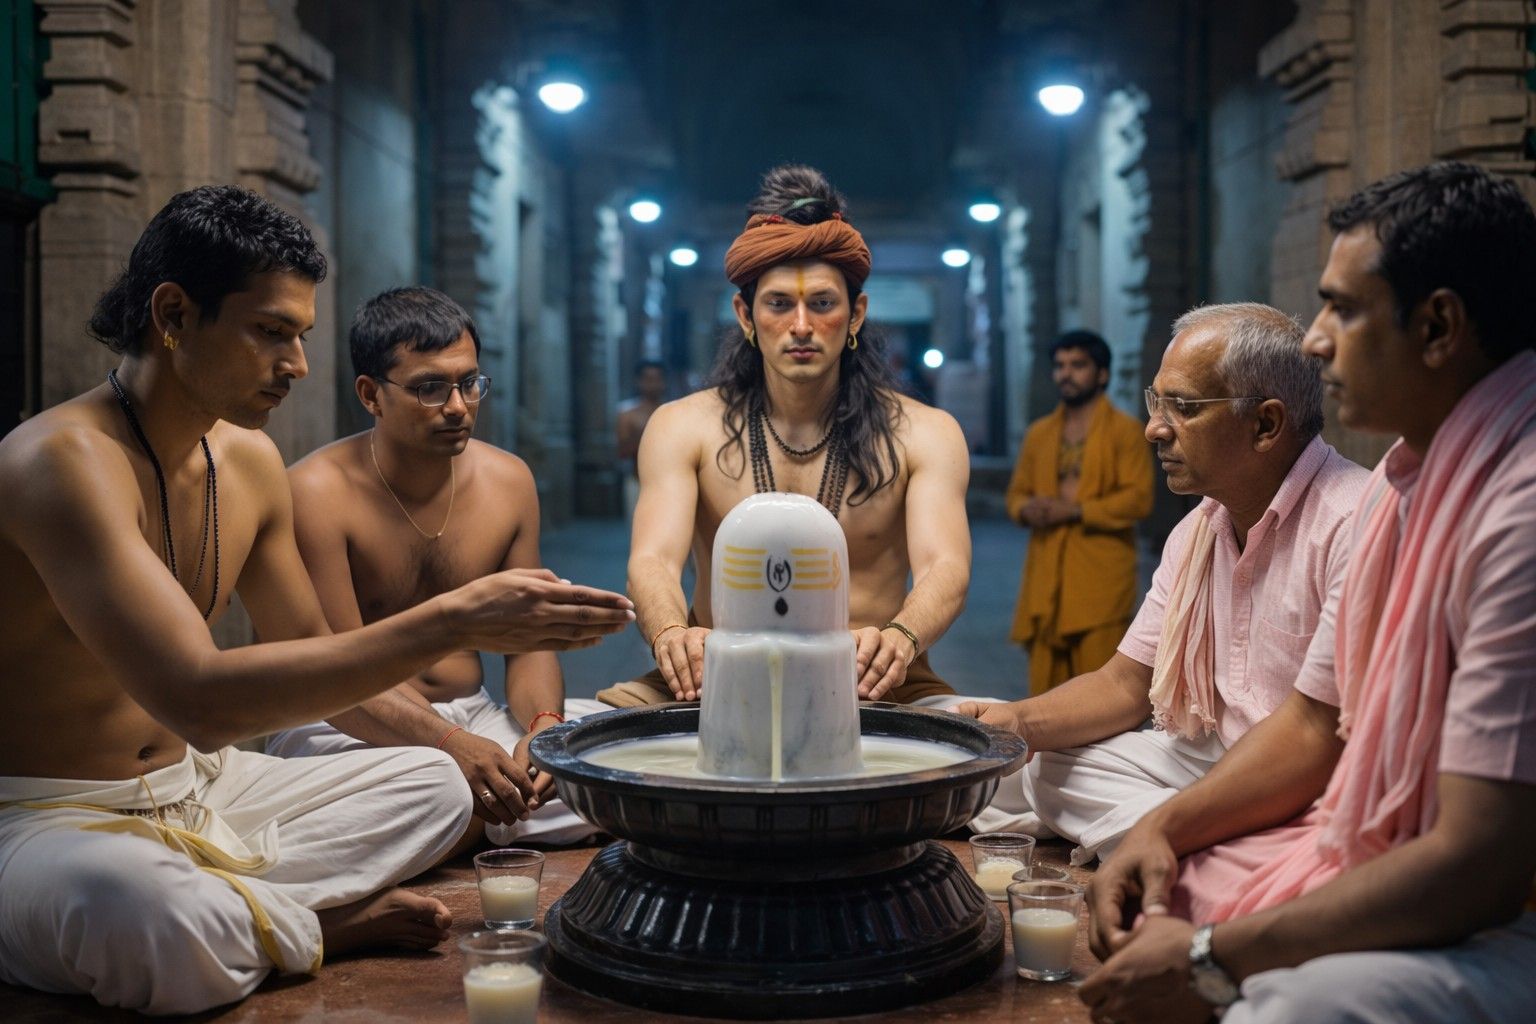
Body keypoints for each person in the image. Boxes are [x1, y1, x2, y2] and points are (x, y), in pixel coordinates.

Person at [0, 186, 632, 1014]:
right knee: (139, 914)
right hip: (49, 815)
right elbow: (197, 702)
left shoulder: (246, 461)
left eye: (300, 335)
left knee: (436, 785)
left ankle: (239, 913)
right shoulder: (59, 463)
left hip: (204, 789)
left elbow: (323, 666)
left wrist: (457, 740)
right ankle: (315, 925)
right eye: (271, 332)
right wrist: (456, 618)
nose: (298, 364)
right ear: (174, 314)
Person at [1080, 162, 1536, 1024]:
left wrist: (1210, 959)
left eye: (1342, 309)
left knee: (1292, 1006)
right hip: (1338, 812)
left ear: (1438, 325)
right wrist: (1161, 829)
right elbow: (1303, 719)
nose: (1317, 342)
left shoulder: (1513, 510)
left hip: (1499, 906)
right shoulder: (1414, 482)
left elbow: (1481, 866)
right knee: (1149, 856)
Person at [960, 303, 1368, 862]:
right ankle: (1214, 846)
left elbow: (1319, 734)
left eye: (1185, 407)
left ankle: (1183, 846)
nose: (1155, 428)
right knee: (1051, 765)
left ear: (1265, 425)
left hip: (1309, 769)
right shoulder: (1200, 529)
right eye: (1157, 402)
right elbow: (1127, 683)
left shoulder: (1352, 524)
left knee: (1023, 787)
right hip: (1212, 754)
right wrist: (1019, 722)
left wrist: (1171, 821)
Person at [602, 164, 972, 708]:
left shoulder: (924, 433)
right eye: (779, 304)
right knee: (591, 742)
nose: (801, 326)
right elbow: (652, 559)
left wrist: (901, 638)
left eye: (822, 303)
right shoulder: (683, 426)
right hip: (715, 675)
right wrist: (671, 635)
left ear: (856, 314)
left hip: (878, 681)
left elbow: (946, 566)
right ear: (745, 315)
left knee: (981, 748)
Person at [265, 287, 606, 847]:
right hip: (347, 725)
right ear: (371, 395)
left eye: (469, 383)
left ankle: (455, 830)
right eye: (429, 388)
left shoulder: (508, 482)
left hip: (474, 717)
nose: (457, 406)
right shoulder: (315, 492)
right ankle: (480, 820)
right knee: (437, 787)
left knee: (606, 752)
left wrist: (544, 730)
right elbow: (338, 676)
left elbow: (529, 645)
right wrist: (449, 746)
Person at [1007, 329, 1152, 695]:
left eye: (1078, 365)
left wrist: (1075, 511)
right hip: (1046, 576)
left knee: (1102, 694)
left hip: (1100, 582)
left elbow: (1139, 499)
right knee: (1044, 696)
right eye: (1060, 366)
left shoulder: (1126, 432)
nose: (1065, 374)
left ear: (1102, 374)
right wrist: (1027, 509)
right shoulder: (1039, 434)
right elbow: (1016, 496)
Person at [617, 359, 667, 521]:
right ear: (639, 381)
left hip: (668, 482)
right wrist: (648, 432)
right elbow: (622, 451)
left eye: (657, 379)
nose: (653, 384)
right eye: (648, 379)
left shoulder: (674, 411)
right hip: (637, 481)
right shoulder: (627, 414)